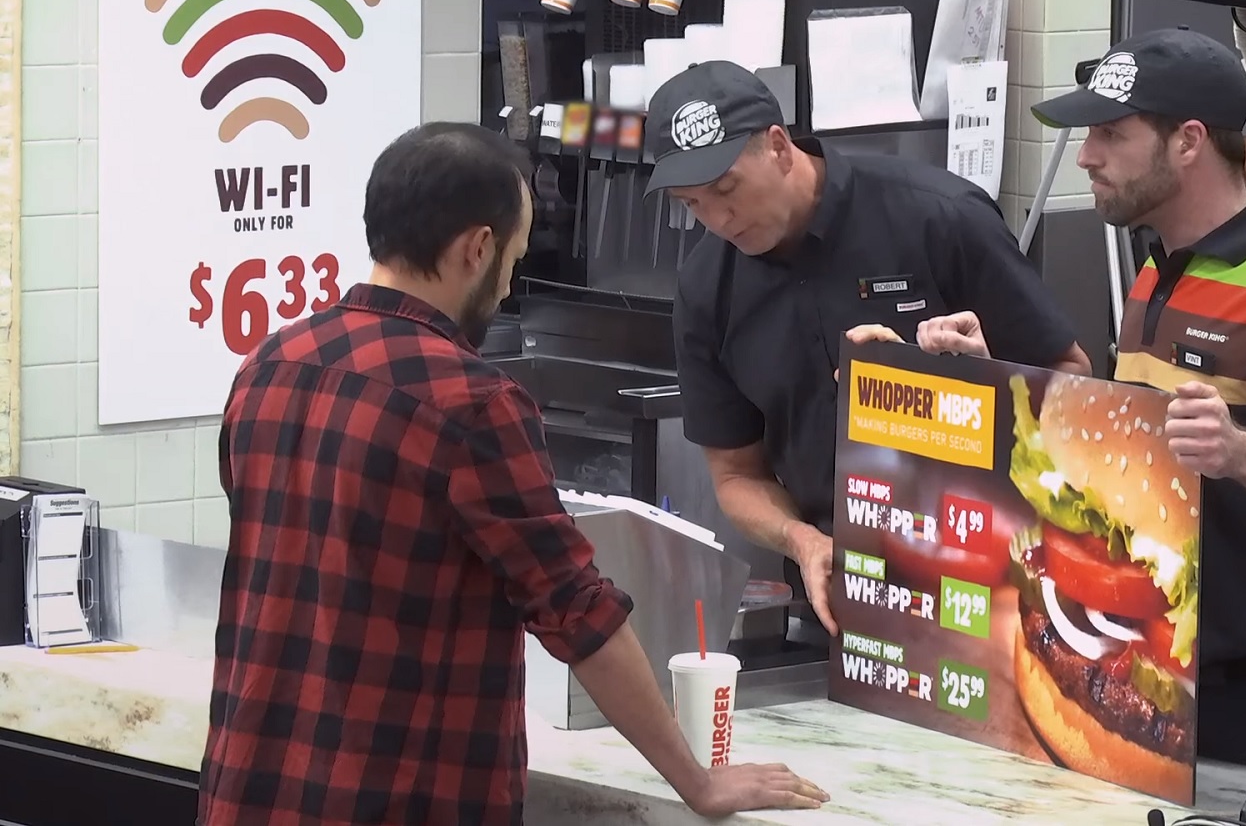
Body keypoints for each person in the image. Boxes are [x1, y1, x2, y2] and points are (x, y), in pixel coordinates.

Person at [199, 122, 828, 824]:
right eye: (513, 259)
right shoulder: (471, 402)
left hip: (248, 793)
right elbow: (579, 616)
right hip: (392, 802)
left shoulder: (269, 366)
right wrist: (699, 782)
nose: (506, 286)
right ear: (478, 248)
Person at [925, 28, 1246, 767]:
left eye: (1111, 134)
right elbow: (1127, 459)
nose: (1086, 156)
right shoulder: (1155, 275)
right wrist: (992, 377)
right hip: (1157, 677)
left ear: (1188, 142)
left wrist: (1241, 453)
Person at [647, 61, 1093, 635]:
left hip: (992, 589)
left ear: (779, 147)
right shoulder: (707, 286)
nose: (718, 218)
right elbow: (735, 475)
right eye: (691, 204)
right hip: (841, 601)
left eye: (726, 189)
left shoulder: (938, 216)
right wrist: (802, 540)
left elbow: (1074, 382)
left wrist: (972, 377)